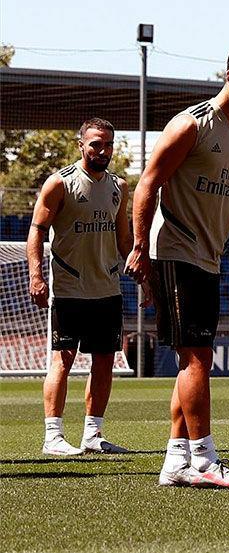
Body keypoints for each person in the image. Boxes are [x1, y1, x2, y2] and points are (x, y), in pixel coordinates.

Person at [125, 41, 229, 489]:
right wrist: (138, 246)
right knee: (196, 358)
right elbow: (147, 184)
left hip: (209, 257)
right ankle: (205, 459)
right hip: (175, 250)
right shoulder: (191, 124)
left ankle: (176, 461)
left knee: (196, 359)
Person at [27, 118, 133, 456]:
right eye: (96, 144)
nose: (103, 151)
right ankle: (53, 436)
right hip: (70, 288)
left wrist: (144, 273)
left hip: (108, 288)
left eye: (108, 144)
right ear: (81, 144)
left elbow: (124, 238)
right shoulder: (60, 183)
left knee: (104, 361)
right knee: (63, 359)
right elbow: (37, 229)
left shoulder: (119, 186)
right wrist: (36, 275)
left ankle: (93, 434)